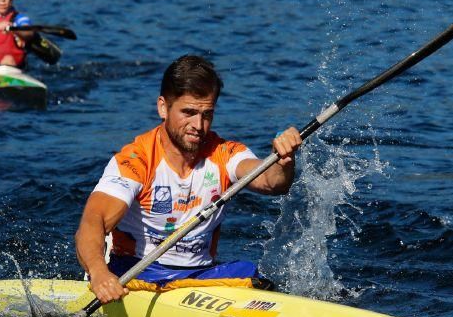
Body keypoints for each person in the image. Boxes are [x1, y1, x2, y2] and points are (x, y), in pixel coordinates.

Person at [75, 54, 303, 304]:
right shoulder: (136, 161)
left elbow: (272, 182)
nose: (198, 125)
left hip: (200, 275)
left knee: (255, 276)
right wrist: (98, 274)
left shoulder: (224, 154)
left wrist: (281, 159)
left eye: (207, 114)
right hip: (139, 274)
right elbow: (92, 221)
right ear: (163, 107)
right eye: (189, 112)